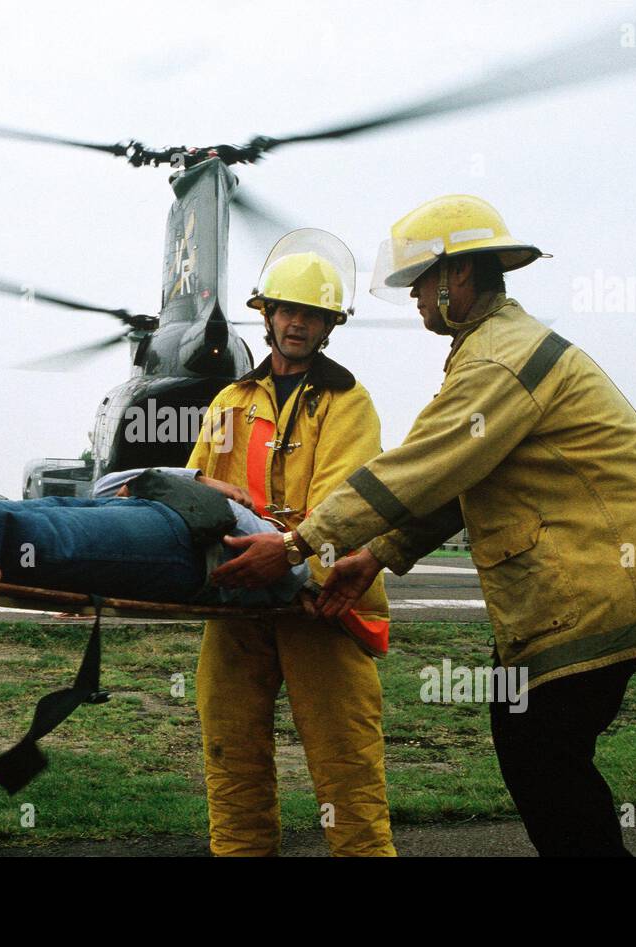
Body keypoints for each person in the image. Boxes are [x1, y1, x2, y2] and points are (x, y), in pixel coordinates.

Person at [212, 195, 636, 856]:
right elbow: (459, 483)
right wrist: (375, 557)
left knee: (540, 750)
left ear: (458, 277)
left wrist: (295, 543)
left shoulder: (494, 361)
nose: (416, 299)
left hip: (599, 585)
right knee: (536, 745)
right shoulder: (490, 348)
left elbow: (418, 469)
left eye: (422, 284)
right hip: (586, 588)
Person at [185, 229, 397, 856]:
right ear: (268, 315)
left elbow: (345, 507)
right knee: (231, 760)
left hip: (322, 608)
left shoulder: (348, 402)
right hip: (238, 605)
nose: (297, 324)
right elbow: (200, 486)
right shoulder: (231, 399)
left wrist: (290, 551)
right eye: (288, 311)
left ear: (329, 324)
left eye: (312, 314)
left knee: (346, 770)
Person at [0, 467, 310, 606]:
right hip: (150, 505)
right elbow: (107, 484)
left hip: (195, 546)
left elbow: (299, 575)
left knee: (40, 538)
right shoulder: (230, 498)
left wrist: (290, 550)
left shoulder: (287, 547)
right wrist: (198, 479)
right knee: (20, 513)